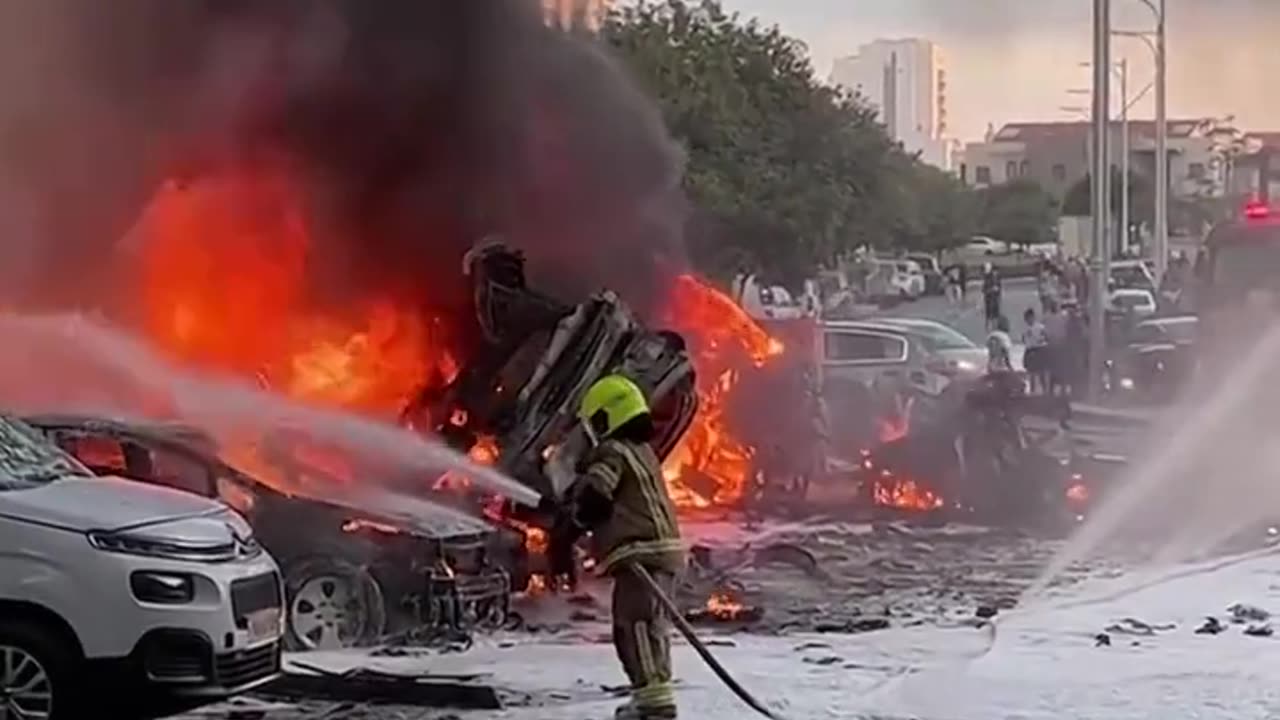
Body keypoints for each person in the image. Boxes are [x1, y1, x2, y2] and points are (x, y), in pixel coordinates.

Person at [555, 375, 684, 720]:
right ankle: (653, 692)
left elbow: (598, 492)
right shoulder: (643, 452)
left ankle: (654, 701)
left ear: (604, 419)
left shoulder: (611, 451)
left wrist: (577, 515)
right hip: (664, 551)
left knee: (633, 624)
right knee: (653, 625)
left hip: (639, 552)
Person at [1021, 307, 1049, 394]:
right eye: (1025, 319)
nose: (1027, 320)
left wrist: (1042, 340)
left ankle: (1045, 391)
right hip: (1030, 350)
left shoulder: (1040, 327)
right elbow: (1023, 339)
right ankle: (1032, 391)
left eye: (1028, 318)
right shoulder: (1025, 329)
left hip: (1039, 350)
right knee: (1031, 373)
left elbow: (1047, 337)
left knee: (1041, 372)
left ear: (1032, 317)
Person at [982, 263, 1003, 330]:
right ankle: (989, 327)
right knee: (989, 315)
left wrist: (997, 292)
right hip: (989, 299)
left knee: (995, 315)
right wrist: (991, 290)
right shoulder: (987, 279)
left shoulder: (996, 278)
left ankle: (995, 327)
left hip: (994, 299)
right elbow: (984, 290)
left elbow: (999, 288)